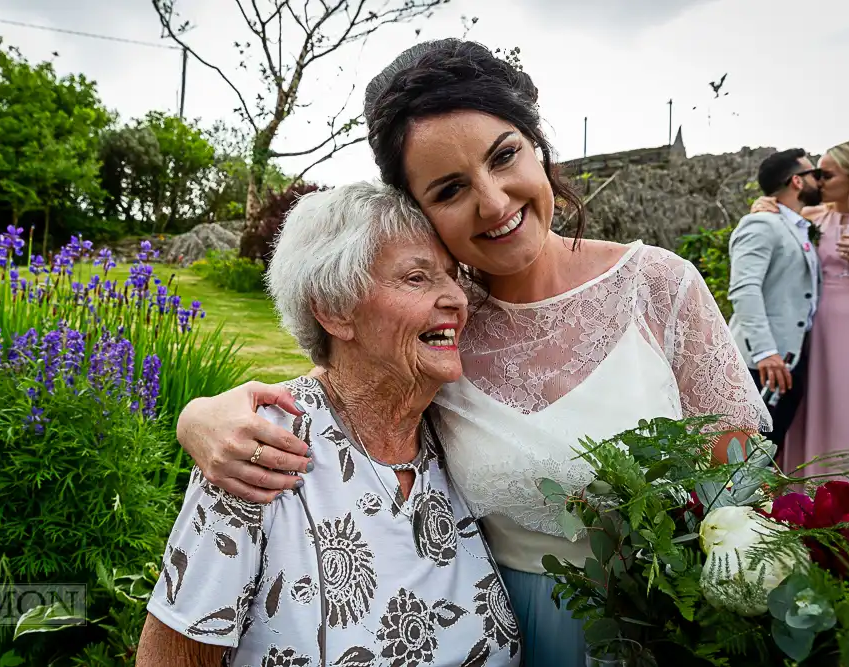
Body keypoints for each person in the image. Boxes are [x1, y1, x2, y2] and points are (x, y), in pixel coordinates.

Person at [170, 40, 770, 666]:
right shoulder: (443, 328)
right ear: (423, 214)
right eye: (450, 189)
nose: (493, 202)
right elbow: (341, 387)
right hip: (510, 632)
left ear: (538, 147)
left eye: (504, 156)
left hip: (673, 628)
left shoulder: (662, 286)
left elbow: (742, 478)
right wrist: (203, 417)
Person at [136, 182, 522, 666]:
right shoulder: (262, 448)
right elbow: (173, 658)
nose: (456, 299)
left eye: (452, 276)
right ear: (336, 311)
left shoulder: (457, 427)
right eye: (417, 278)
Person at [749, 139, 849, 472]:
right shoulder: (809, 217)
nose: (818, 182)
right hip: (816, 332)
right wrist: (763, 206)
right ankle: (815, 497)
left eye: (826, 175)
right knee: (818, 407)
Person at [727, 148, 823, 456]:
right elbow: (744, 289)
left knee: (765, 455)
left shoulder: (795, 225)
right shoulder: (761, 225)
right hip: (764, 364)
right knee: (744, 459)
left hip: (789, 360)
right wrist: (767, 352)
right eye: (815, 175)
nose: (820, 181)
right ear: (797, 181)